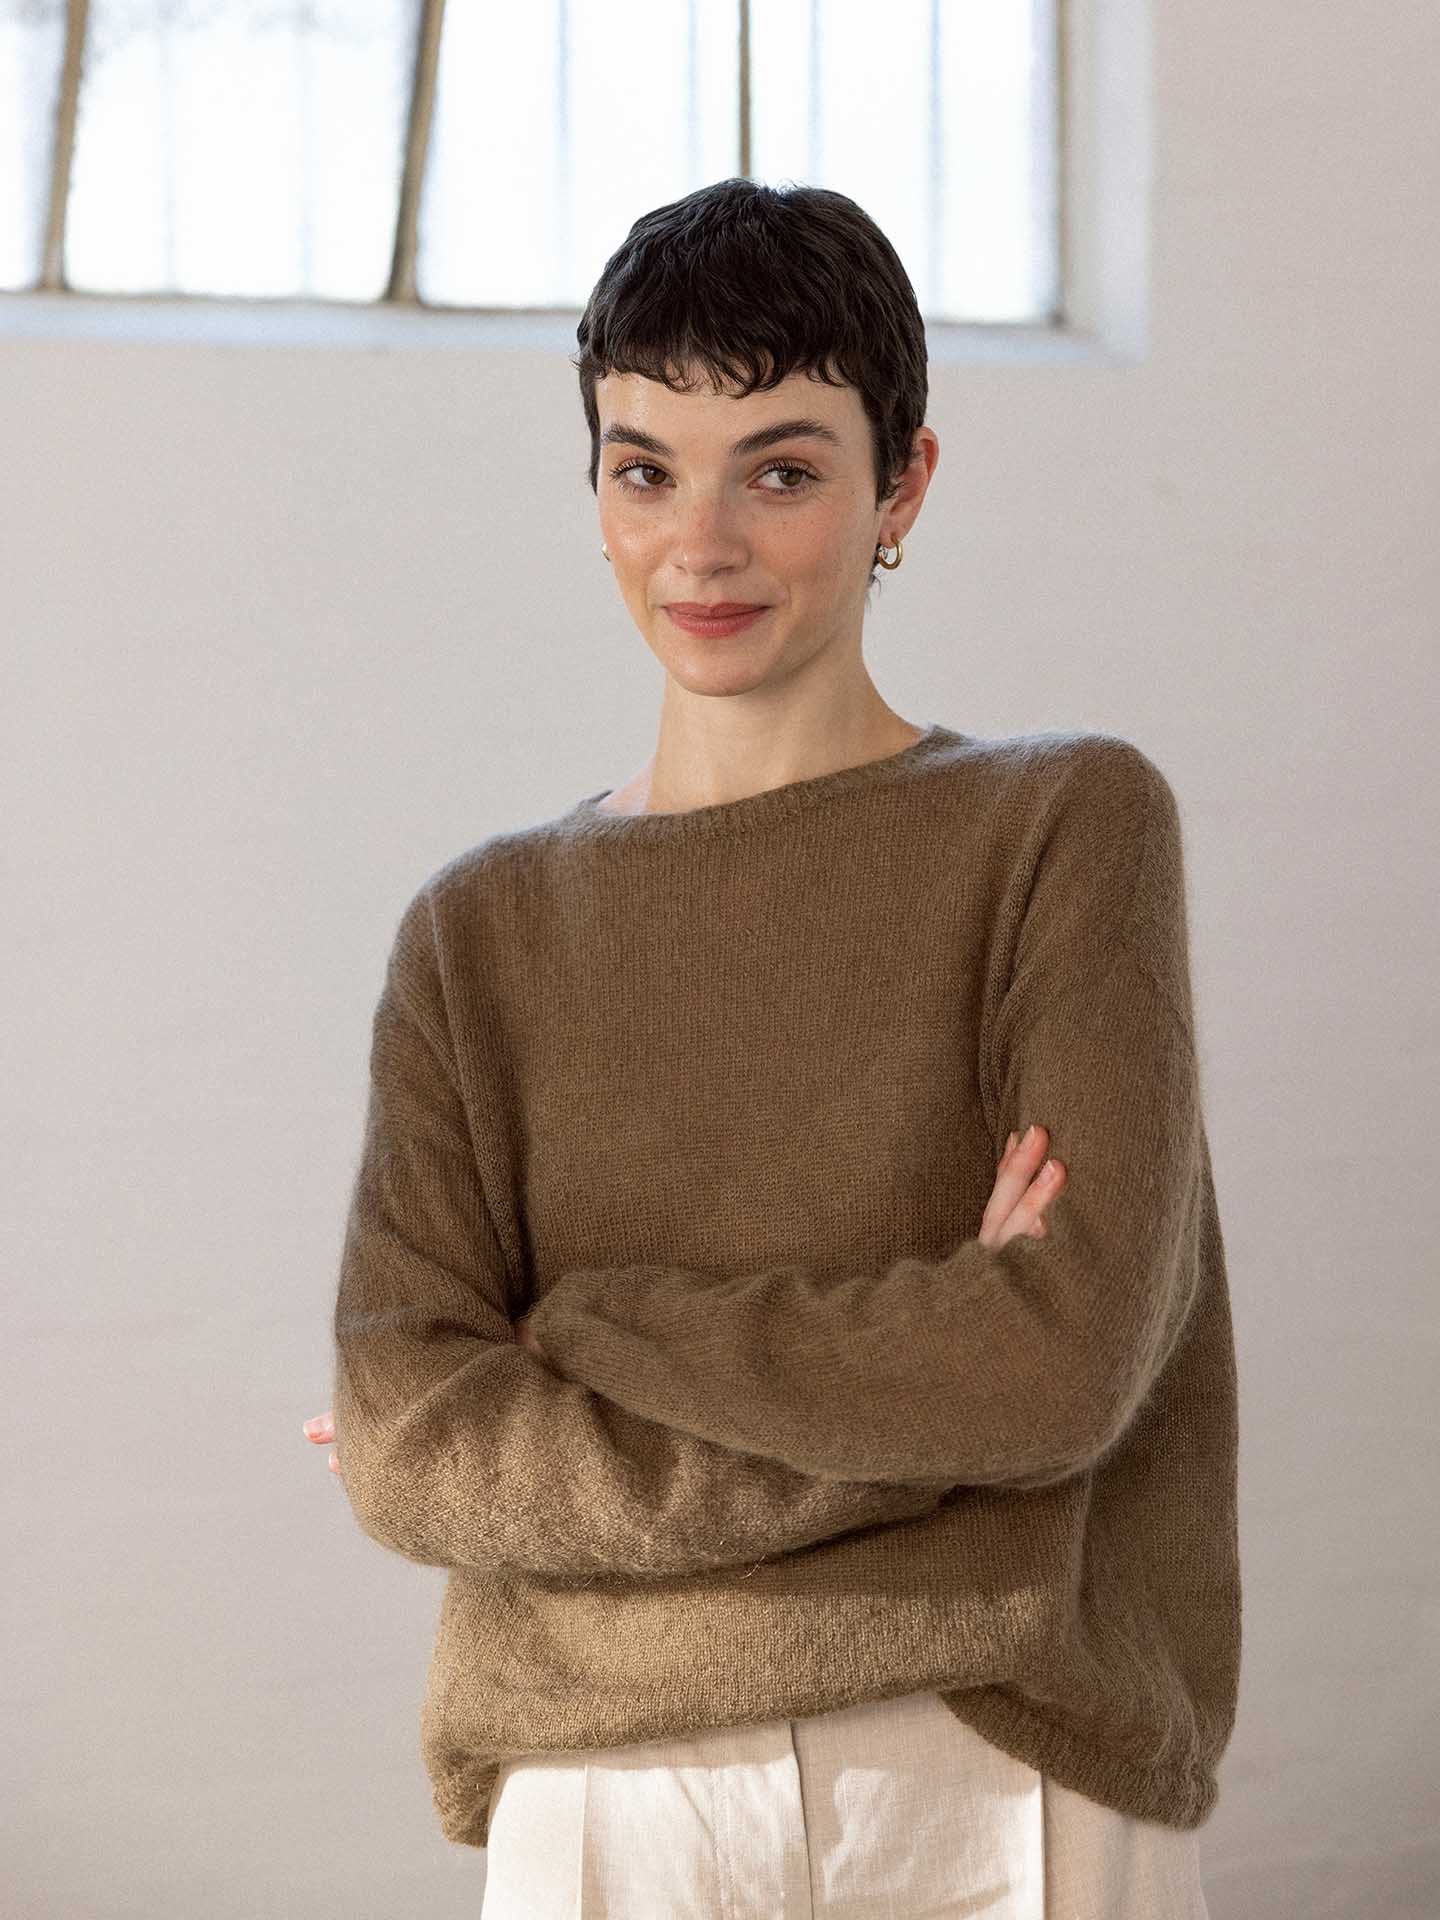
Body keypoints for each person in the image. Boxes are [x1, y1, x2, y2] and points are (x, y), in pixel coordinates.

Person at [304, 178, 1239, 1917]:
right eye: (645, 467)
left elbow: (1061, 1369)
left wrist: (592, 1327)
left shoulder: (1062, 825)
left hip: (995, 1766)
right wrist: (934, 1395)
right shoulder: (481, 931)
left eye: (785, 469)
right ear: (593, 490)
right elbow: (415, 1443)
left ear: (905, 483)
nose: (702, 544)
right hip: (603, 1793)